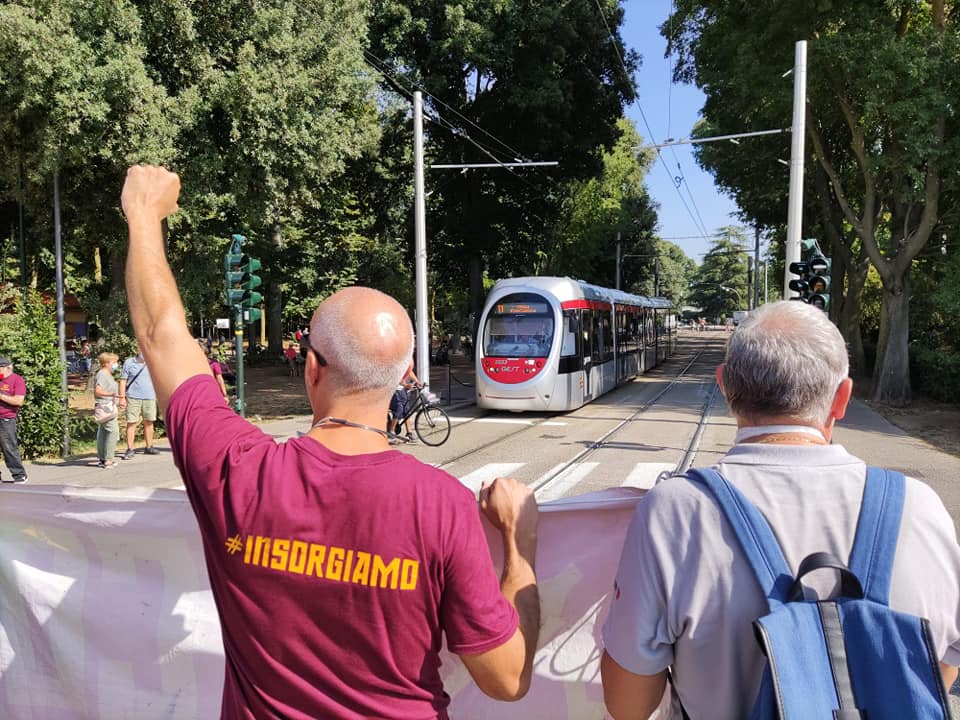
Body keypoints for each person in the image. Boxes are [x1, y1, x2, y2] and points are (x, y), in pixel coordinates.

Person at [121, 165, 540, 719]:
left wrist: (144, 215)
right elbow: (507, 678)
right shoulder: (441, 505)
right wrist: (518, 544)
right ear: (405, 375)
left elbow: (159, 333)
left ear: (311, 368)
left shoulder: (236, 469)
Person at [600, 300, 960, 720]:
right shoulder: (920, 505)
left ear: (725, 388)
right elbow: (943, 661)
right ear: (842, 398)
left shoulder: (675, 509)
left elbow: (628, 706)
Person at [119, 341, 160, 458]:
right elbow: (123, 381)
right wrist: (122, 397)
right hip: (133, 397)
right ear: (138, 349)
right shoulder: (129, 362)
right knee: (132, 422)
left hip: (150, 397)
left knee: (149, 421)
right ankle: (130, 448)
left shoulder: (153, 362)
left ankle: (149, 446)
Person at [0, 356, 28, 484]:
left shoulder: (17, 380)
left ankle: (19, 475)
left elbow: (18, 401)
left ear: (7, 368)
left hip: (6, 419)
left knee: (9, 448)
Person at [94, 352, 122, 469]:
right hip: (105, 406)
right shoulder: (102, 374)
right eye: (114, 362)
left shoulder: (107, 374)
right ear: (106, 363)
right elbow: (98, 391)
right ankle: (108, 459)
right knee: (113, 431)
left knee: (104, 432)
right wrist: (112, 395)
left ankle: (102, 458)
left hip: (108, 406)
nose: (116, 364)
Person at [389, 366, 421, 441]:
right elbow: (395, 378)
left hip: (402, 390)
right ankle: (391, 431)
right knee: (399, 408)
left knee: (407, 410)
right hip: (394, 390)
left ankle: (409, 433)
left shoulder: (406, 362)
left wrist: (417, 382)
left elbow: (409, 371)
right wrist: (406, 385)